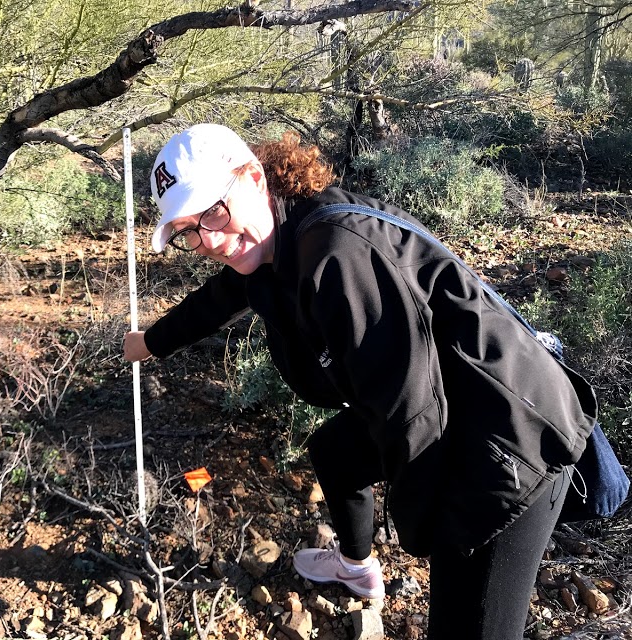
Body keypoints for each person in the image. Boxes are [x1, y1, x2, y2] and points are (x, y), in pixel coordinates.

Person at [123, 123, 597, 639]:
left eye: (214, 209)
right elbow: (218, 299)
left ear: (254, 177)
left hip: (507, 444)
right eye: (189, 230)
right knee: (336, 452)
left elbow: (410, 413)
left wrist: (423, 533)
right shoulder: (271, 246)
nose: (209, 239)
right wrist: (150, 342)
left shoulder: (335, 254)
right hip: (449, 406)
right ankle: (356, 567)